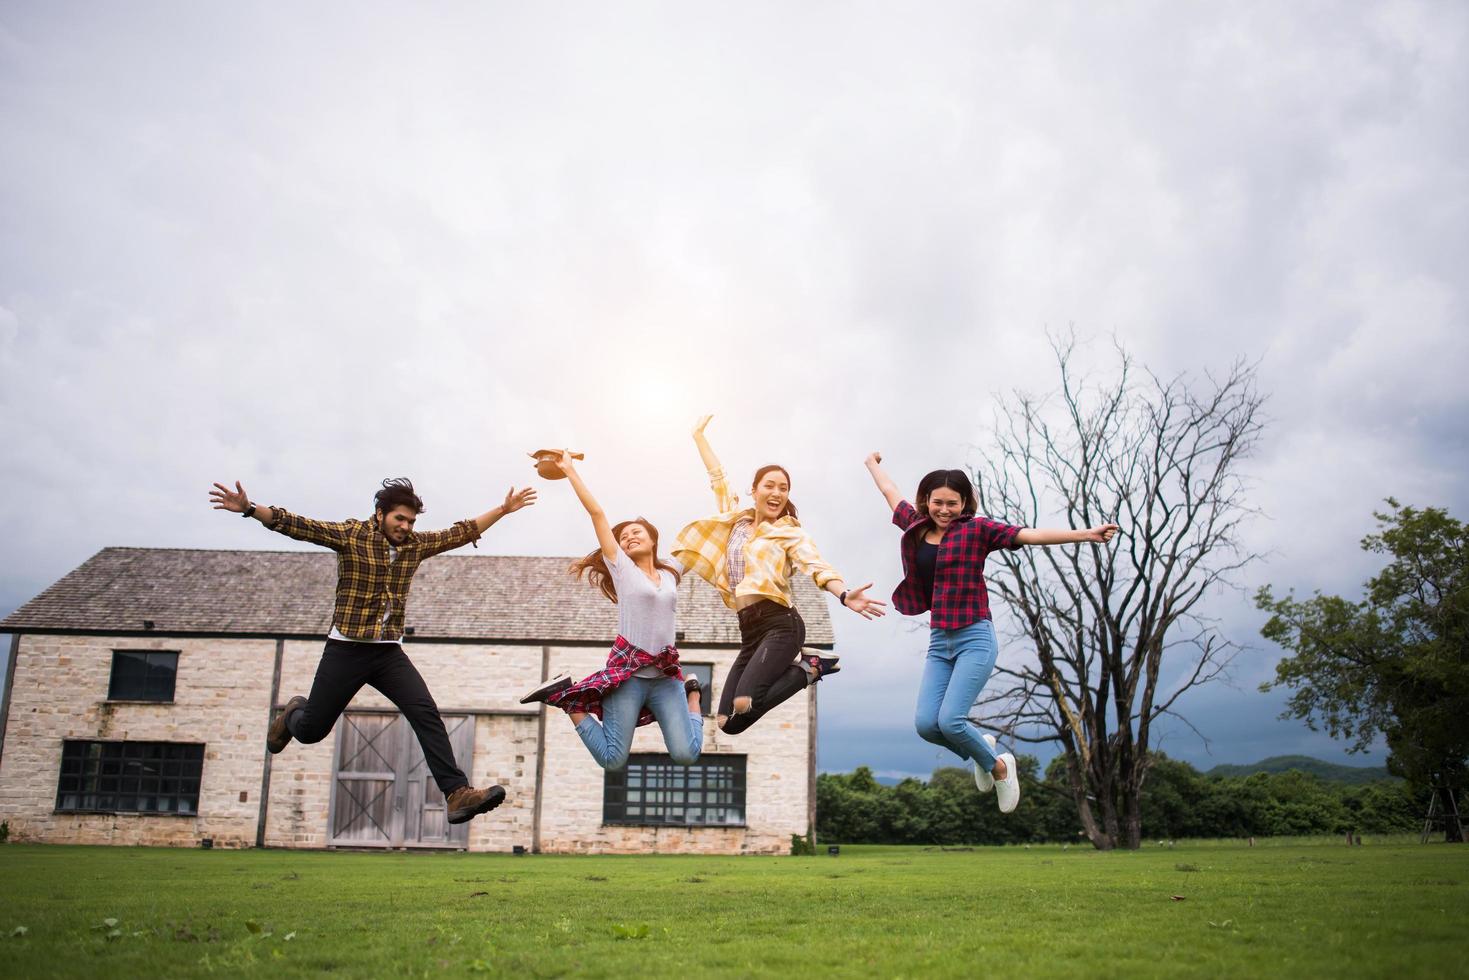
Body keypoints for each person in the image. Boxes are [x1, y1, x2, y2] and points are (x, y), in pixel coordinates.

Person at [208, 475, 537, 824]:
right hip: (346, 649)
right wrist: (248, 509)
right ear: (380, 514)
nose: (406, 527)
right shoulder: (351, 535)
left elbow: (460, 532)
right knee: (311, 731)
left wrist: (503, 510)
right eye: (400, 519)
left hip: (387, 652)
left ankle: (456, 794)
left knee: (425, 712)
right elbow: (296, 525)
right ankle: (293, 715)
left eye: (411, 521)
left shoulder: (414, 545)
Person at [863, 452, 1119, 814]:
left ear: (965, 503)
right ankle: (985, 750)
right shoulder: (916, 524)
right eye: (938, 502)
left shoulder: (978, 530)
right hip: (940, 641)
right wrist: (872, 464)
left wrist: (1086, 535)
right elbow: (890, 492)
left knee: (951, 721)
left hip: (975, 637)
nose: (945, 509)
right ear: (927, 501)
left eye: (953, 503)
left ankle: (999, 766)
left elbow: (1029, 535)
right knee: (926, 725)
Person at [675, 415, 886, 735]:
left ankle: (810, 669)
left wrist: (843, 594)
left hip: (781, 624)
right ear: (754, 490)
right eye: (769, 485)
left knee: (745, 702)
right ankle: (806, 668)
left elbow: (817, 565)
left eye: (783, 488)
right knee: (725, 723)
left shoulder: (789, 533)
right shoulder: (735, 521)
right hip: (750, 630)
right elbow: (717, 478)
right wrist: (699, 438)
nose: (776, 492)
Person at [519, 451, 703, 770]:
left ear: (653, 539)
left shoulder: (672, 569)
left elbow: (703, 538)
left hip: (666, 678)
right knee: (612, 760)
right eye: (623, 536)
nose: (629, 537)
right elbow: (597, 514)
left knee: (687, 754)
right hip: (628, 677)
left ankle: (694, 694)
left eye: (636, 532)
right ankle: (564, 697)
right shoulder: (621, 568)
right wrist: (569, 471)